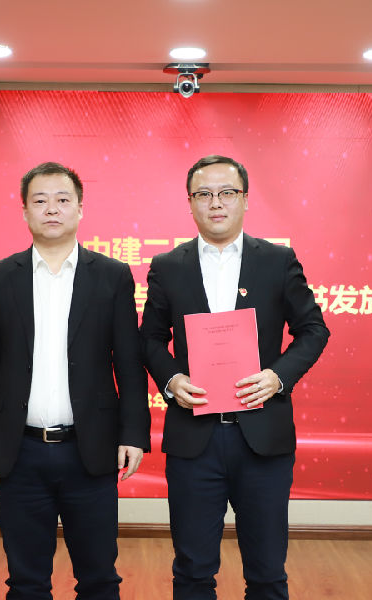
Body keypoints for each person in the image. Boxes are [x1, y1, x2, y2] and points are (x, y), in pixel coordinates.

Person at [140, 155, 330, 599]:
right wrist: (171, 380)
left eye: (227, 192)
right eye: (204, 194)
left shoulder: (278, 260)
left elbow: (314, 329)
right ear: (190, 202)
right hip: (194, 440)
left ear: (245, 199)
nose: (216, 203)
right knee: (192, 572)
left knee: (266, 572)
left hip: (262, 439)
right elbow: (148, 339)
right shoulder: (168, 266)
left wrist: (277, 376)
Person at [0, 161, 150, 599]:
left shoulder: (112, 276)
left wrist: (133, 435)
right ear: (25, 211)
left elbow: (129, 364)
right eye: (40, 200)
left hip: (90, 451)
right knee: (26, 583)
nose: (52, 209)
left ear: (80, 209)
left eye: (63, 200)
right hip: (19, 453)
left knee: (99, 580)